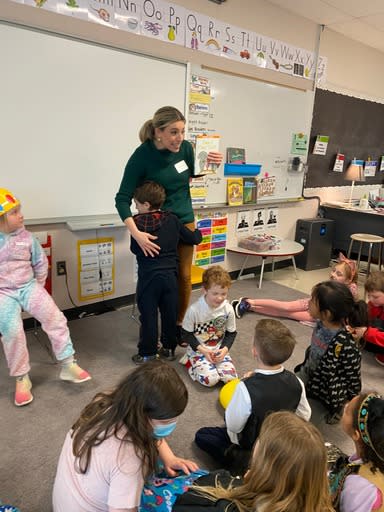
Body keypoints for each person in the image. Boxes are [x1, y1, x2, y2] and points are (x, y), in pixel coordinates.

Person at [115, 106, 222, 345]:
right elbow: (122, 199)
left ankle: (177, 327)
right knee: (158, 277)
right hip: (154, 225)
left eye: (183, 132)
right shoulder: (141, 156)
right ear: (157, 132)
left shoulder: (185, 148)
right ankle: (152, 330)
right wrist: (137, 234)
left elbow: (193, 173)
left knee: (183, 276)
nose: (180, 138)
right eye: (174, 132)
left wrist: (211, 164)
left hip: (183, 218)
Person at [53, 359, 198, 512]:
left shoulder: (109, 401)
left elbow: (149, 432)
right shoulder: (129, 460)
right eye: (166, 420)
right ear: (142, 416)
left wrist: (170, 458)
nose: (172, 425)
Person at [0, 188, 90, 407]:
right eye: (14, 212)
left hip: (29, 286)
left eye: (19, 210)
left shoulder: (28, 238)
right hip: (3, 292)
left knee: (55, 318)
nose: (21, 215)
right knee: (11, 331)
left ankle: (68, 364)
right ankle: (22, 378)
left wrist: (37, 289)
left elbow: (41, 263)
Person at [195, 318, 311, 475]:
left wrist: (247, 381)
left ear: (254, 351)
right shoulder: (297, 381)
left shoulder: (245, 388)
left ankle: (242, 463)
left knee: (202, 435)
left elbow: (233, 425)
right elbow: (304, 415)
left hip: (249, 447)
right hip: (279, 444)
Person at [173, 411, 334, 512]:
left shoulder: (220, 494)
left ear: (266, 467)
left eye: (261, 439)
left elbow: (181, 505)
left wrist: (246, 483)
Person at [130, 181, 202, 364]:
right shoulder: (172, 219)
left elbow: (135, 249)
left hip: (148, 279)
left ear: (146, 205)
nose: (135, 207)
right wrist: (198, 231)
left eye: (137, 204)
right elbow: (192, 238)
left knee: (148, 315)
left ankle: (147, 353)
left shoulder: (136, 224)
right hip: (170, 278)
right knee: (170, 313)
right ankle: (168, 349)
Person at [295, 280, 367, 424]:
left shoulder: (345, 343)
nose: (308, 303)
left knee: (308, 421)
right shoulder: (320, 322)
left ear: (327, 314)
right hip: (309, 370)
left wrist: (352, 400)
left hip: (328, 386)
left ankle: (338, 409)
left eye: (312, 301)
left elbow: (352, 375)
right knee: (287, 389)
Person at [231, 252, 359, 320]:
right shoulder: (332, 285)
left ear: (348, 280)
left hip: (318, 315)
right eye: (333, 271)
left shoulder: (350, 291)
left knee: (286, 314)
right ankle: (248, 301)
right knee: (285, 306)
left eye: (339, 274)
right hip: (311, 303)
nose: (333, 275)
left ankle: (251, 308)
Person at [180, 265, 238, 387]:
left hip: (218, 350)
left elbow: (231, 333)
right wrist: (203, 350)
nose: (220, 298)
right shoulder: (194, 310)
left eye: (224, 293)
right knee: (211, 381)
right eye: (215, 293)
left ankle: (212, 365)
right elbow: (185, 335)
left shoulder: (228, 309)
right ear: (205, 290)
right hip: (199, 351)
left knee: (230, 379)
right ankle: (190, 362)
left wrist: (224, 349)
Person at [329, 391, 384, 511]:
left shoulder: (359, 487)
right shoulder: (375, 459)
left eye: (348, 410)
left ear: (356, 434)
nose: (345, 405)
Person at [355, 271, 384, 366]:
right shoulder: (374, 304)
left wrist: (366, 332)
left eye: (375, 297)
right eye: (368, 296)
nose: (370, 299)